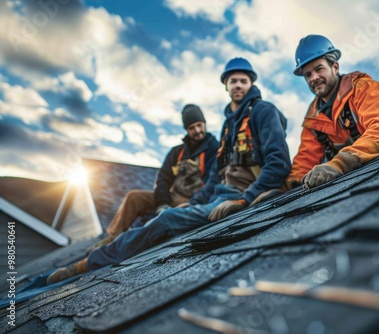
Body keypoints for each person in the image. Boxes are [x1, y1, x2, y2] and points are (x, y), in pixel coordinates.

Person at [47, 57, 291, 284]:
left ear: (252, 83)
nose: (238, 85)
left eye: (243, 81)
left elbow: (278, 163)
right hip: (220, 195)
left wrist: (244, 200)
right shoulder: (229, 126)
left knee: (165, 219)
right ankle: (105, 248)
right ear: (226, 86)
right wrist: (193, 202)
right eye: (233, 81)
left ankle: (89, 264)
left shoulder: (263, 111)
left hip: (240, 195)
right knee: (154, 212)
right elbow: (215, 177)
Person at [88, 104, 219, 250]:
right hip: (171, 197)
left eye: (199, 125)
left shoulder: (214, 149)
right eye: (192, 128)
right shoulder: (177, 152)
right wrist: (163, 203)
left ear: (205, 124)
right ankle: (112, 240)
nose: (197, 131)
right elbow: (163, 178)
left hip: (194, 200)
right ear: (186, 130)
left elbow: (211, 183)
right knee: (134, 197)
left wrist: (193, 203)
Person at [286, 34, 379, 189]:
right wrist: (284, 189)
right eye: (308, 75)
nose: (314, 77)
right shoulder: (313, 119)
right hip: (350, 183)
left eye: (319, 69)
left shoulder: (363, 89)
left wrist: (340, 163)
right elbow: (305, 160)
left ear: (335, 67)